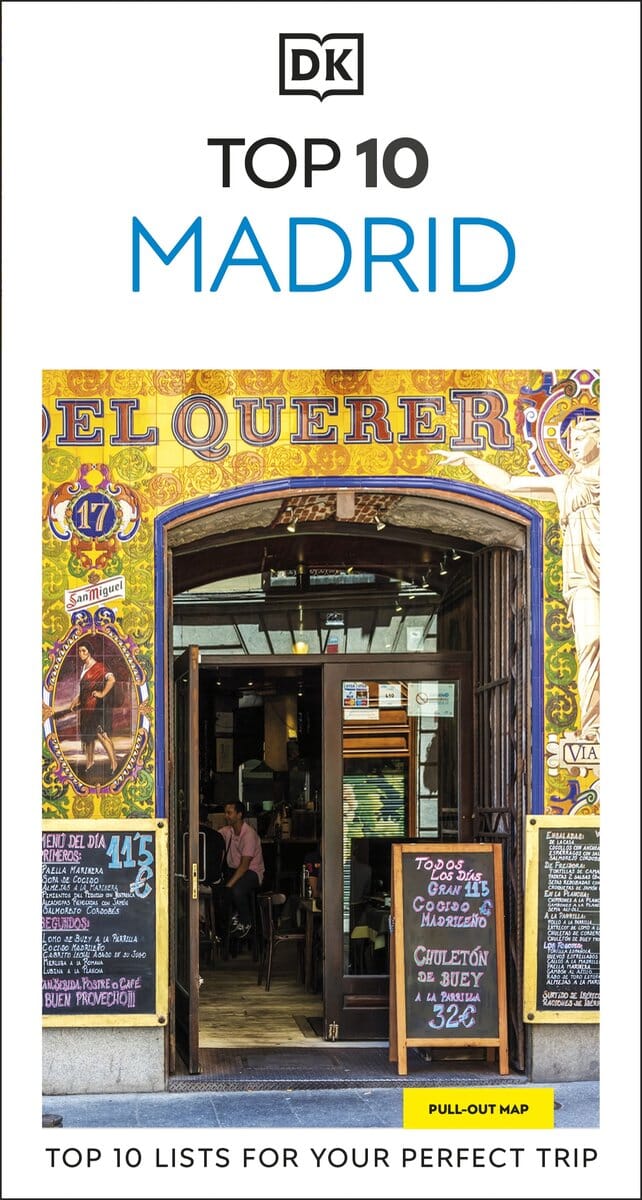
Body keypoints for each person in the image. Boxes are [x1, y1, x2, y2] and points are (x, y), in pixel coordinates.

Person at [434, 412, 600, 741]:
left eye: (580, 438)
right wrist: (468, 460)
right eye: (569, 441)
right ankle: (594, 726)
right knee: (593, 640)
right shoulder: (564, 483)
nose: (572, 446)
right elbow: (509, 483)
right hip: (582, 575)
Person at [69, 638, 117, 773]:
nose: (81, 654)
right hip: (85, 707)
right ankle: (90, 763)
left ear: (89, 652)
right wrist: (77, 699)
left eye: (84, 651)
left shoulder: (99, 667)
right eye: (79, 651)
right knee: (88, 737)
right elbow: (85, 689)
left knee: (101, 735)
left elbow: (112, 679)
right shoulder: (84, 667)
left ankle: (114, 764)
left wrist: (102, 693)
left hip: (95, 707)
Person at [220, 801, 265, 939]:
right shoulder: (228, 831)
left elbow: (244, 866)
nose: (226, 816)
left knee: (236, 890)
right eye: (225, 812)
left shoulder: (249, 835)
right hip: (235, 870)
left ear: (239, 815)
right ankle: (231, 920)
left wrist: (229, 885)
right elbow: (215, 835)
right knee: (220, 889)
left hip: (252, 872)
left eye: (229, 813)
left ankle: (246, 922)